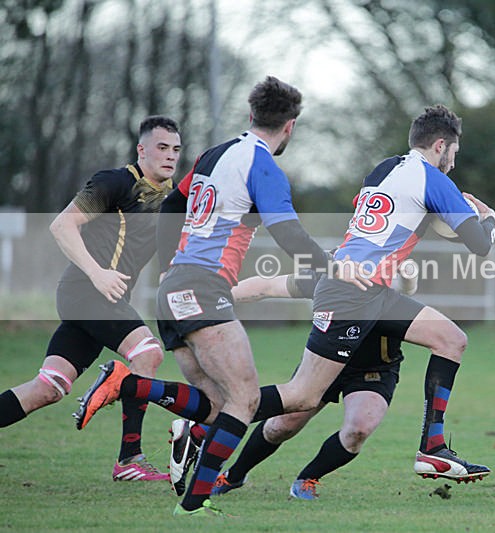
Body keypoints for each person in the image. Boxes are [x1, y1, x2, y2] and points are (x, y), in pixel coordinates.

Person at [73, 76, 365, 517]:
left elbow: (173, 205)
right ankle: (131, 391)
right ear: (290, 127)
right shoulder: (263, 165)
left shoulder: (215, 154)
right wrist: (332, 265)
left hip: (174, 288)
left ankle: (189, 498)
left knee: (216, 410)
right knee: (245, 400)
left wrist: (172, 263)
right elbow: (286, 230)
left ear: (251, 116)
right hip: (203, 287)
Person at [219, 104, 495, 482]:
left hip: (369, 288)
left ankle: (432, 449)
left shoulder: (384, 170)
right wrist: (489, 218)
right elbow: (480, 245)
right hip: (352, 292)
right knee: (301, 398)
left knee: (451, 339)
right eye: (454, 153)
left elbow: (390, 225)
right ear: (440, 145)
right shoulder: (434, 180)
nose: (453, 162)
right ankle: (209, 420)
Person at [0, 116, 182, 481]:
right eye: (162, 147)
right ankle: (129, 459)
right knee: (147, 353)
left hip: (95, 300)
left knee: (48, 388)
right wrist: (97, 273)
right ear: (142, 149)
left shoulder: (169, 196)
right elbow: (61, 225)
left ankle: (120, 424)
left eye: (176, 149)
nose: (170, 156)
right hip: (87, 291)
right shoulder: (115, 181)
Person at [204, 263, 432, 501]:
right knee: (281, 426)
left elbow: (405, 287)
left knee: (358, 430)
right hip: (325, 362)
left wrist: (409, 273)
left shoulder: (382, 273)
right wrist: (216, 298)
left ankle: (307, 478)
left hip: (375, 369)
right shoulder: (332, 274)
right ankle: (235, 475)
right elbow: (266, 286)